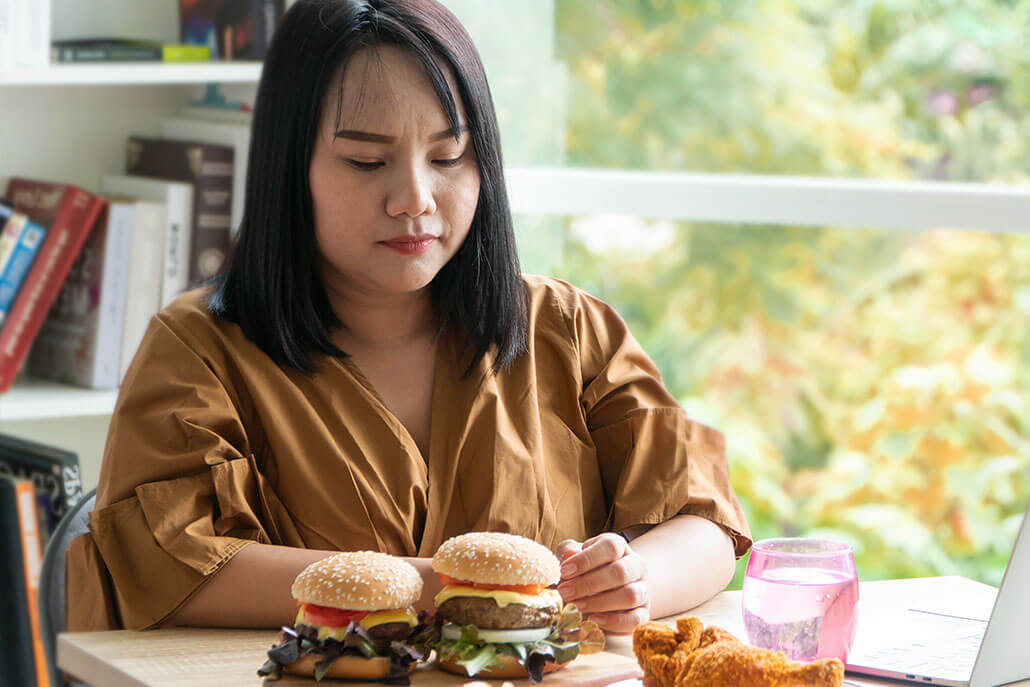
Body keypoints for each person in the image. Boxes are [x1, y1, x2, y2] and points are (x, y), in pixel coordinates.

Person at [66, 0, 751, 636]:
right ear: (288, 166)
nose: (415, 199)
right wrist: (444, 589)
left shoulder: (567, 327)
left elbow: (706, 521)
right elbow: (172, 573)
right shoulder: (197, 351)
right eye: (367, 160)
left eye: (448, 156)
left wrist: (634, 579)